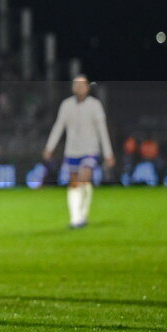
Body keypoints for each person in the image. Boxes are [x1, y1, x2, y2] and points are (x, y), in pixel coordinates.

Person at [42, 75, 115, 229]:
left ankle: (81, 215)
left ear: (88, 87)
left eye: (82, 85)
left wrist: (108, 153)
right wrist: (50, 147)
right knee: (74, 184)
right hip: (72, 151)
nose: (79, 87)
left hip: (90, 150)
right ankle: (76, 217)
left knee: (84, 178)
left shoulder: (95, 105)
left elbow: (102, 130)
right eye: (76, 84)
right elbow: (58, 127)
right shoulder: (66, 105)